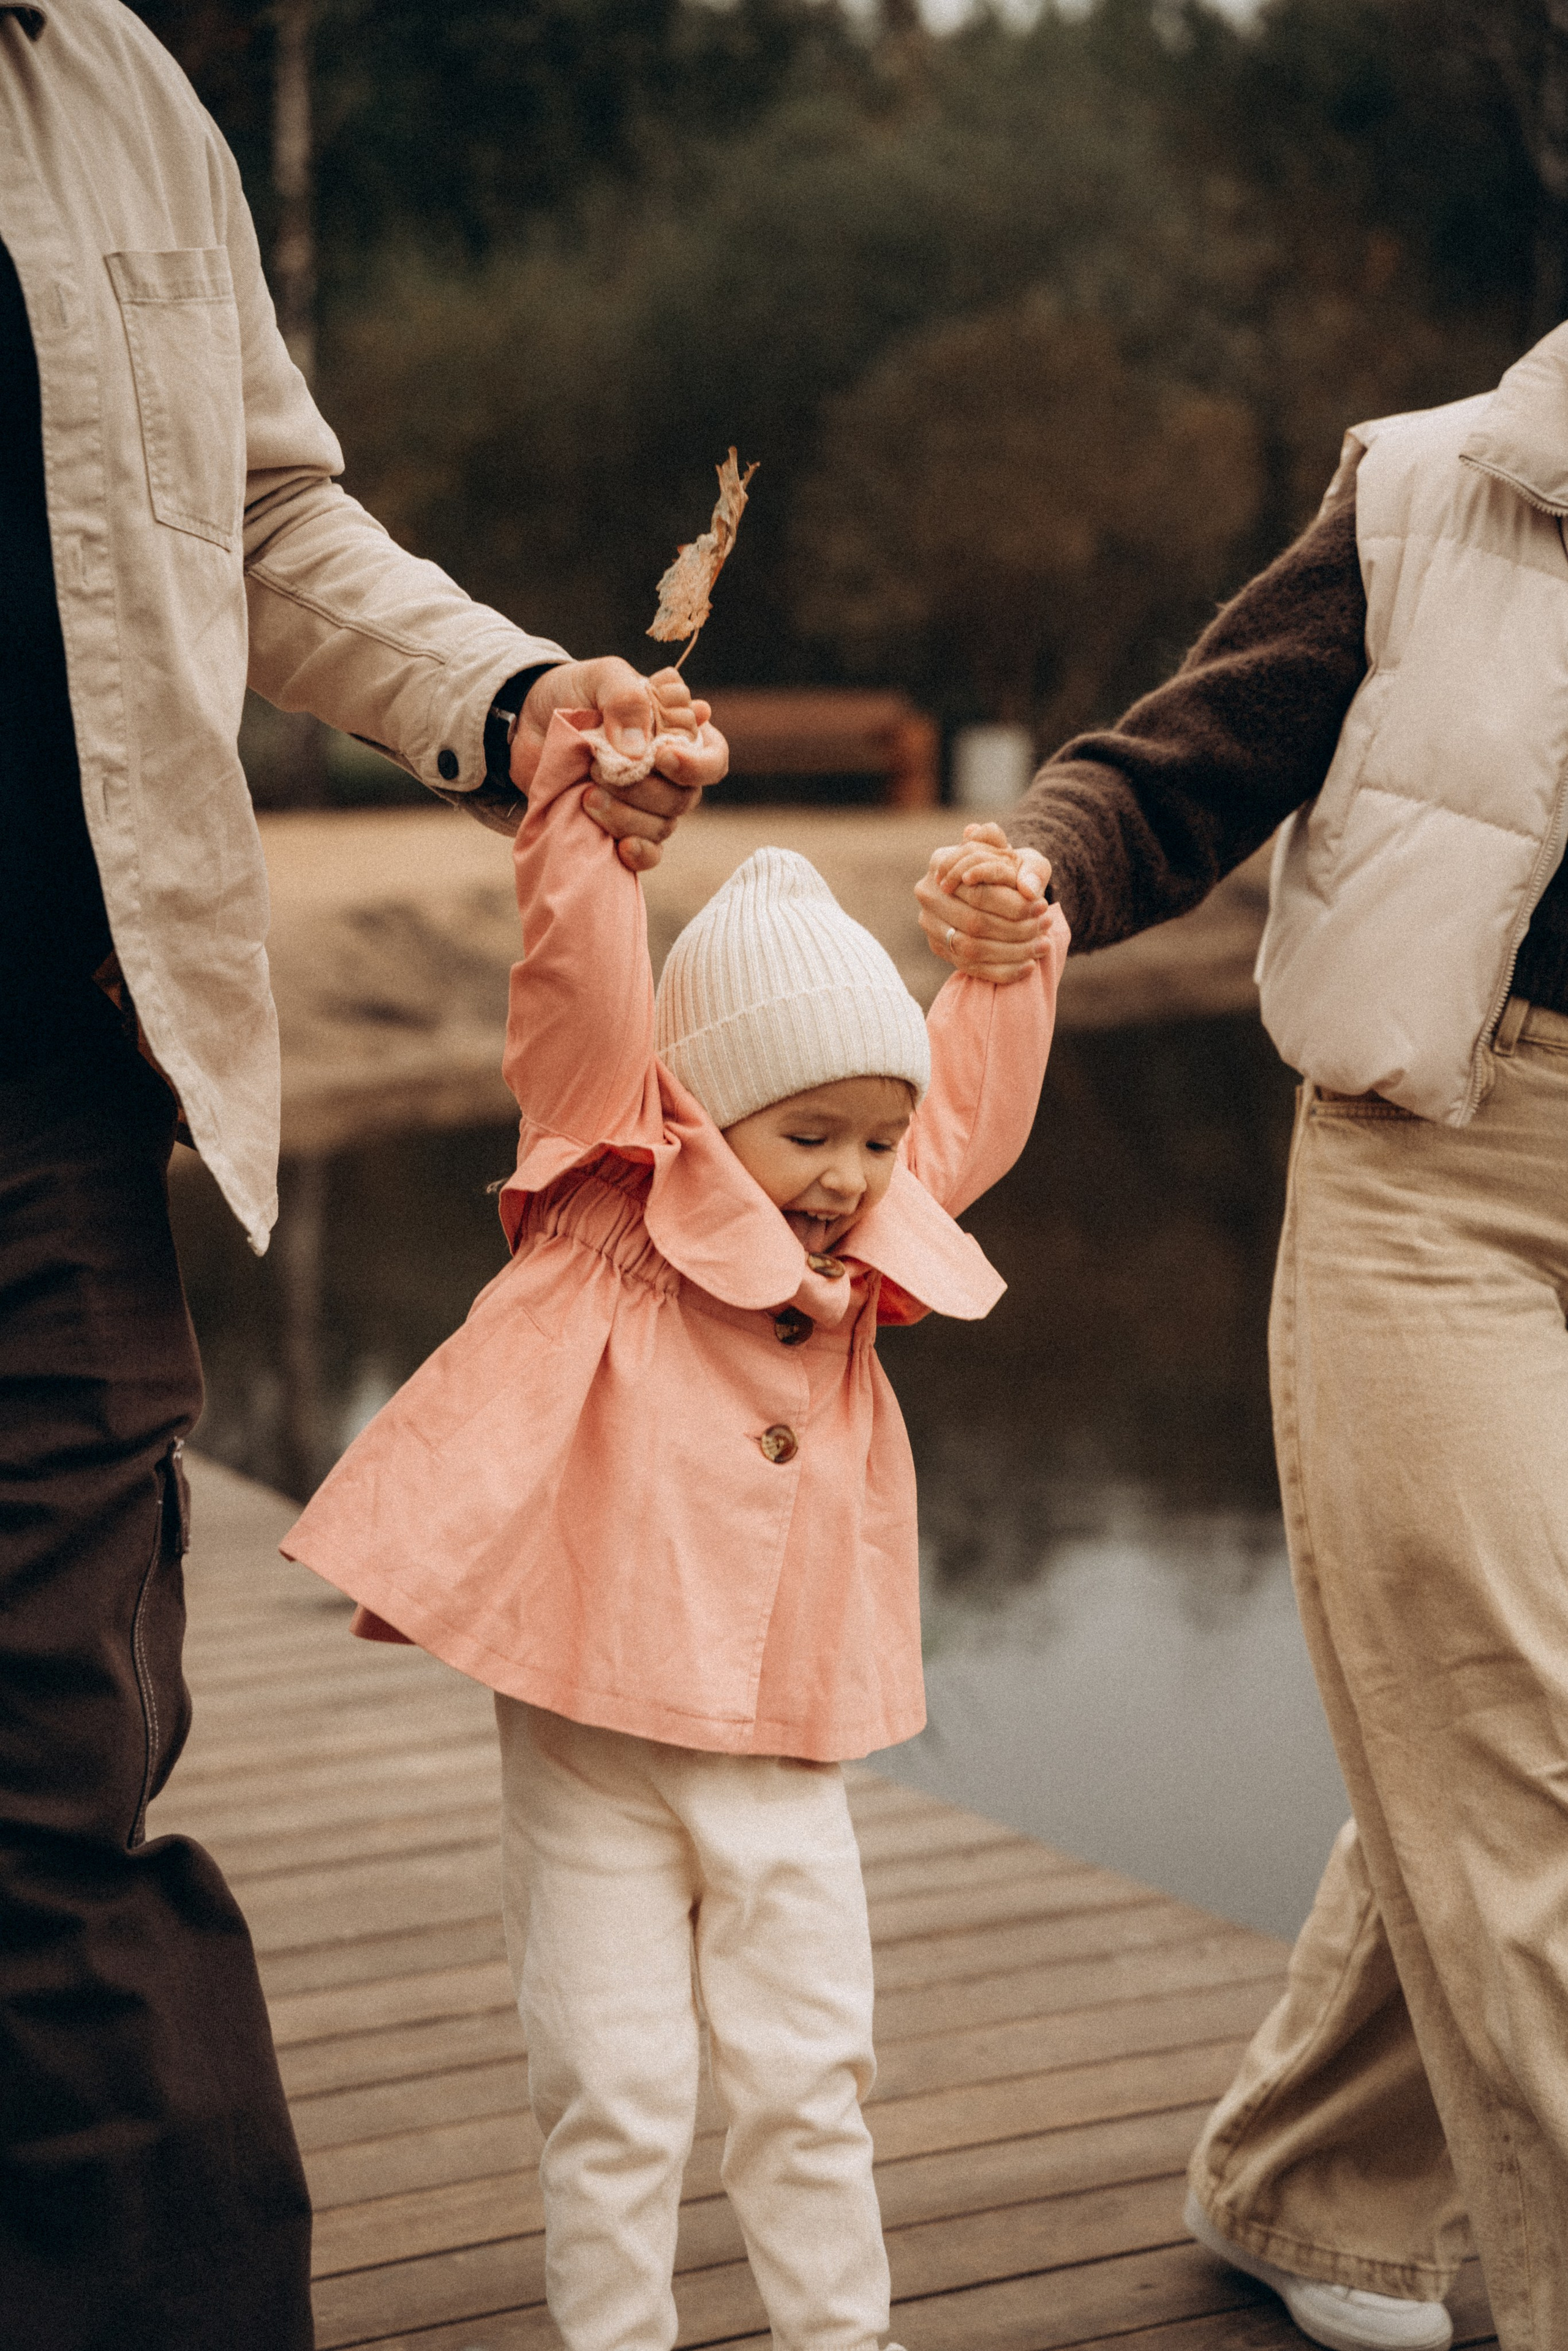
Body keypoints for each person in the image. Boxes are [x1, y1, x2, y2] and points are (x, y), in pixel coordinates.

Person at [0, 5, 725, 2346]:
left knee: (45, 1815)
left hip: (51, 1086)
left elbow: (259, 508)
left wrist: (515, 702)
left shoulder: (105, 76)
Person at [924, 322, 1568, 2351]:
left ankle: (1313, 2194)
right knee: (1513, 1748)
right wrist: (1034, 862)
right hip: (1439, 1172)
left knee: (1480, 1752)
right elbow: (1174, 763)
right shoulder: (1432, 492)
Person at [279, 700, 1066, 2351]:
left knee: (805, 2076)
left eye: (874, 1139)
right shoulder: (607, 1174)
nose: (857, 1179)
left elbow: (966, 1118)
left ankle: (843, 2340)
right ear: (705, 1105)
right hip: (587, 1714)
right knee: (615, 2085)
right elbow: (576, 980)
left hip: (779, 1730)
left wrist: (1006, 965)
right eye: (812, 1137)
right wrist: (582, 818)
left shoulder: (868, 1228)